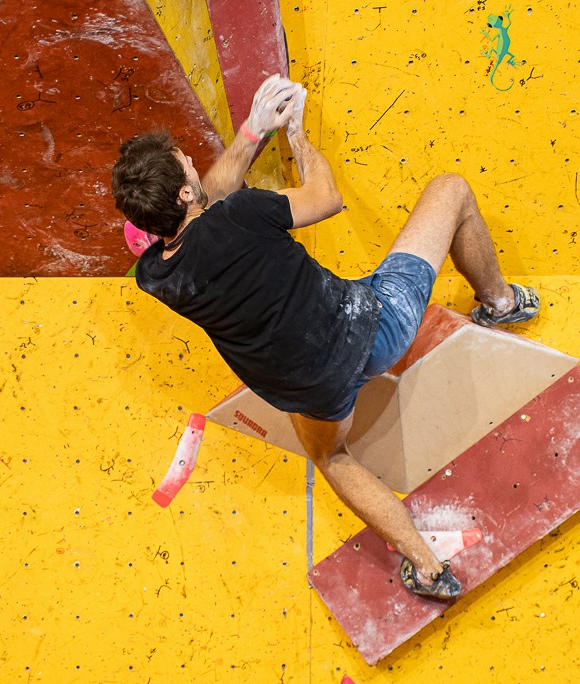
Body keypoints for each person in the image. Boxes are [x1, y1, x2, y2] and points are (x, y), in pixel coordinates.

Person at [111, 74, 540, 599]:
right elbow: (325, 198)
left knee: (333, 458)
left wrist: (251, 132)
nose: (193, 164)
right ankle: (501, 302)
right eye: (186, 164)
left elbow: (204, 209)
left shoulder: (155, 276)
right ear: (184, 191)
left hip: (303, 388)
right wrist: (296, 136)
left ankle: (429, 569)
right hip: (373, 330)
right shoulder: (243, 214)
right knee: (451, 190)